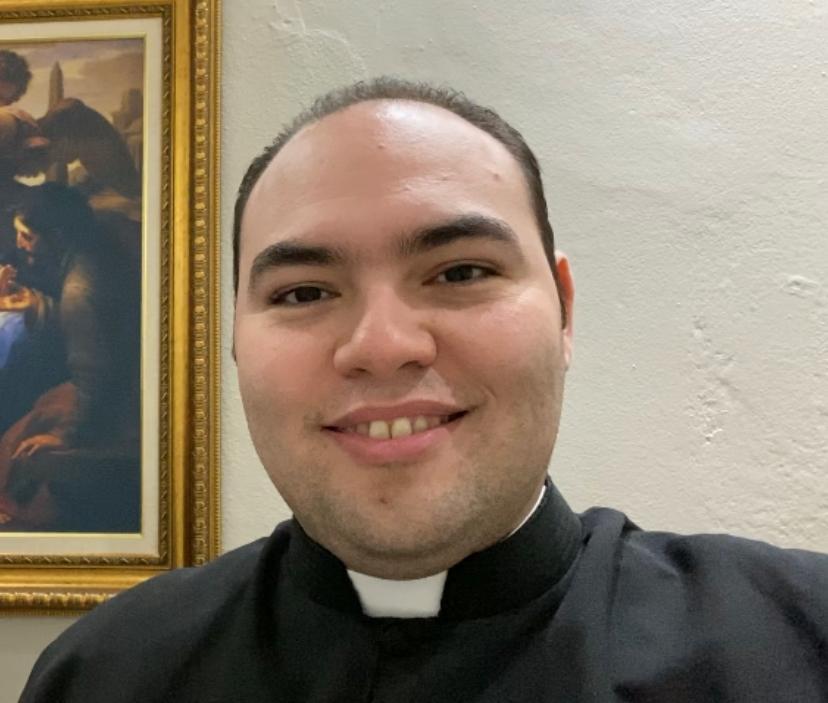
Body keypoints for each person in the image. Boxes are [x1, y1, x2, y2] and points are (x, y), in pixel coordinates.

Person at [20, 78, 828, 701]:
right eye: (304, 291)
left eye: (461, 271)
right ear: (235, 339)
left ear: (564, 310)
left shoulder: (799, 644)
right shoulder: (103, 676)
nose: (382, 346)